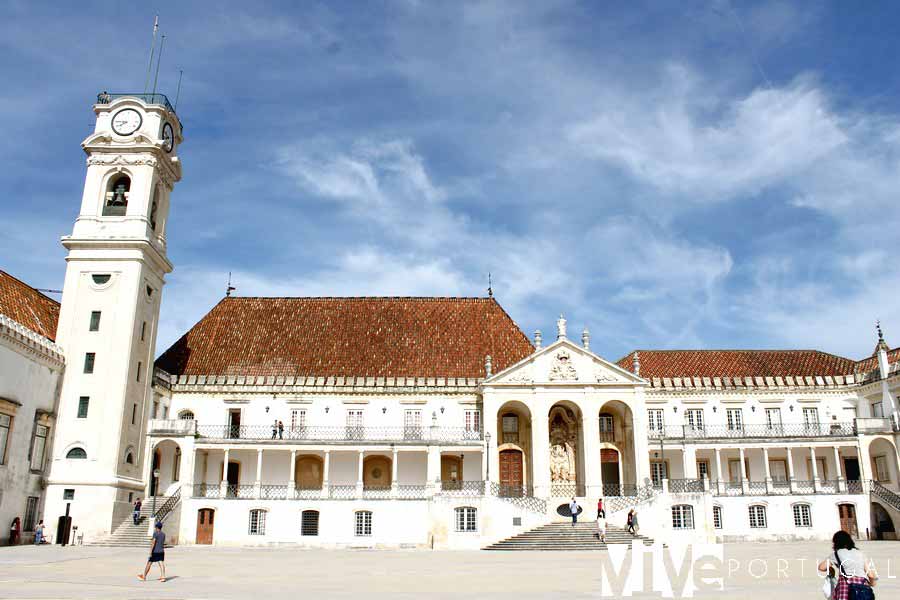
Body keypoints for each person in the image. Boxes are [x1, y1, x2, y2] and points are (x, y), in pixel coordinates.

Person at [817, 530, 876, 600]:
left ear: (836, 543)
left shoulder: (836, 554)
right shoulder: (860, 553)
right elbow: (871, 575)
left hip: (845, 588)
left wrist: (830, 569)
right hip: (862, 587)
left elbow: (821, 567)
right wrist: (872, 583)